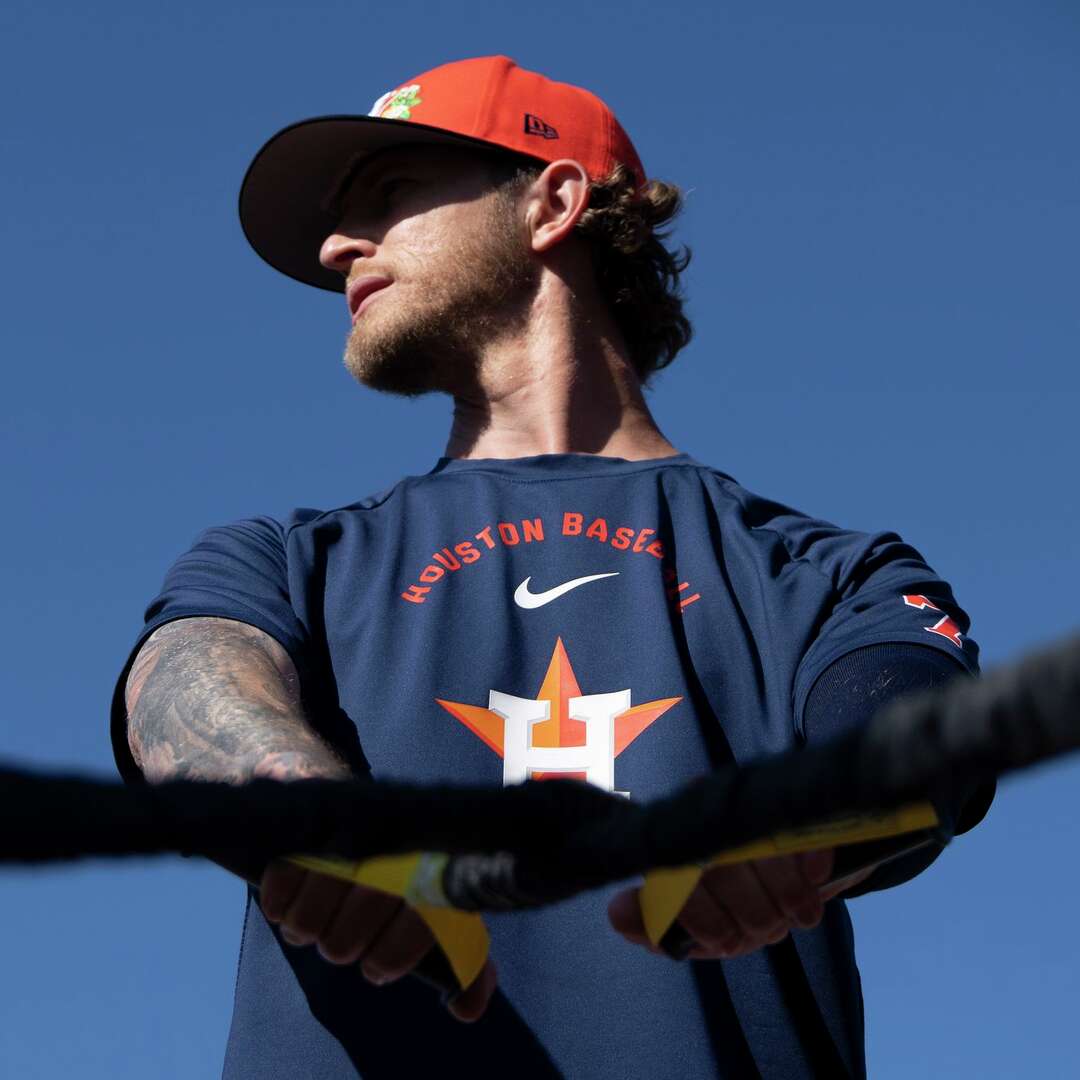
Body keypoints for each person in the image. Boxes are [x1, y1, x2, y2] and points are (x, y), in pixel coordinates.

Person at [110, 55, 994, 1079]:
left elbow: (914, 719)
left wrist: (809, 819)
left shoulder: (825, 572)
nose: (336, 245)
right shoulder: (286, 558)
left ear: (553, 202)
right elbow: (184, 677)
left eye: (389, 194)